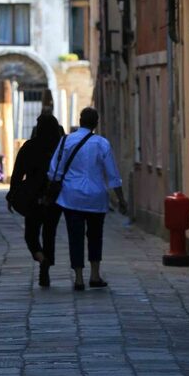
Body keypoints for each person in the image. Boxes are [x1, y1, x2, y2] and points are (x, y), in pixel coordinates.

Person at [48, 105, 128, 291]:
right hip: (96, 198)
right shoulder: (102, 143)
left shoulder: (66, 141)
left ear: (80, 121)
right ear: (96, 124)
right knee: (95, 236)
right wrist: (121, 199)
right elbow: (113, 175)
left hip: (71, 197)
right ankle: (95, 274)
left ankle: (78, 278)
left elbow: (54, 171)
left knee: (74, 237)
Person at [6, 111, 65, 286]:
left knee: (31, 234)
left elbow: (17, 175)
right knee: (49, 232)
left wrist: (12, 196)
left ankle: (40, 258)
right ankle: (47, 263)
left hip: (33, 197)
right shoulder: (61, 148)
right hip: (54, 196)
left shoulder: (29, 147)